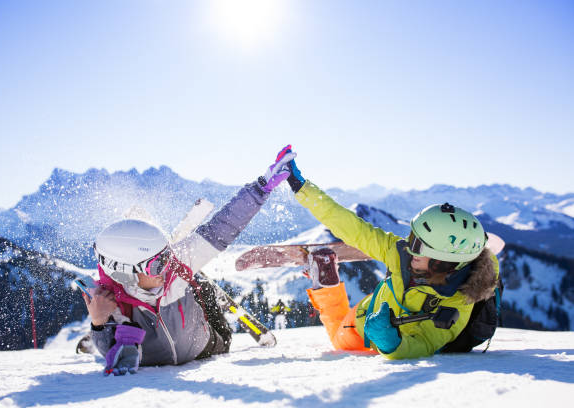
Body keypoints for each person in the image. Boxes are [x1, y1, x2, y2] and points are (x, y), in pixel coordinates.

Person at [83, 147, 296, 375]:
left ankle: (199, 283)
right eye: (157, 263)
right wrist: (98, 322)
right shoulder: (111, 303)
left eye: (166, 256)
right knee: (192, 277)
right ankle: (199, 281)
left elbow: (222, 227)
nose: (166, 266)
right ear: (126, 274)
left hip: (207, 346)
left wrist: (262, 187)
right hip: (160, 356)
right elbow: (110, 353)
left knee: (189, 276)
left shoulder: (174, 266)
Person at [281, 146, 500, 360]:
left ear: (443, 262)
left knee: (338, 340)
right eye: (412, 237)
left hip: (369, 334)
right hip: (368, 313)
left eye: (418, 245)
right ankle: (326, 284)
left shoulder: (458, 301)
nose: (409, 247)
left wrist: (391, 343)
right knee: (339, 328)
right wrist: (301, 187)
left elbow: (425, 343)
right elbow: (354, 229)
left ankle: (326, 285)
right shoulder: (403, 254)